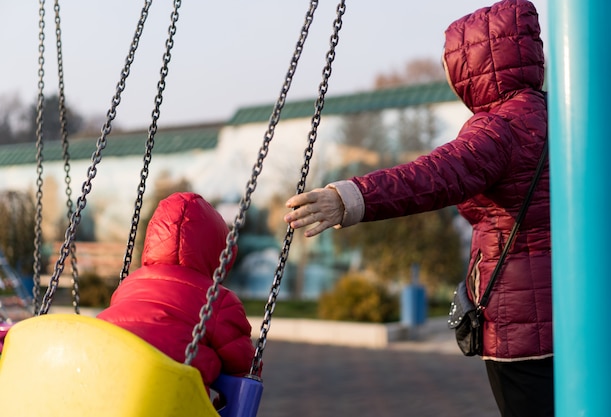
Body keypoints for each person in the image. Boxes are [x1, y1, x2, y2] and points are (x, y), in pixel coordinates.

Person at [284, 1, 552, 416]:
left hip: (523, 326)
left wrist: (351, 197)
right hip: (583, 311)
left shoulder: (500, 128)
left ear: (475, 63)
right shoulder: (564, 115)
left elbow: (434, 176)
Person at [98, 192, 256, 395]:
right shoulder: (220, 301)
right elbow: (244, 369)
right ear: (218, 251)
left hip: (105, 383)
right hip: (169, 399)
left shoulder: (128, 284)